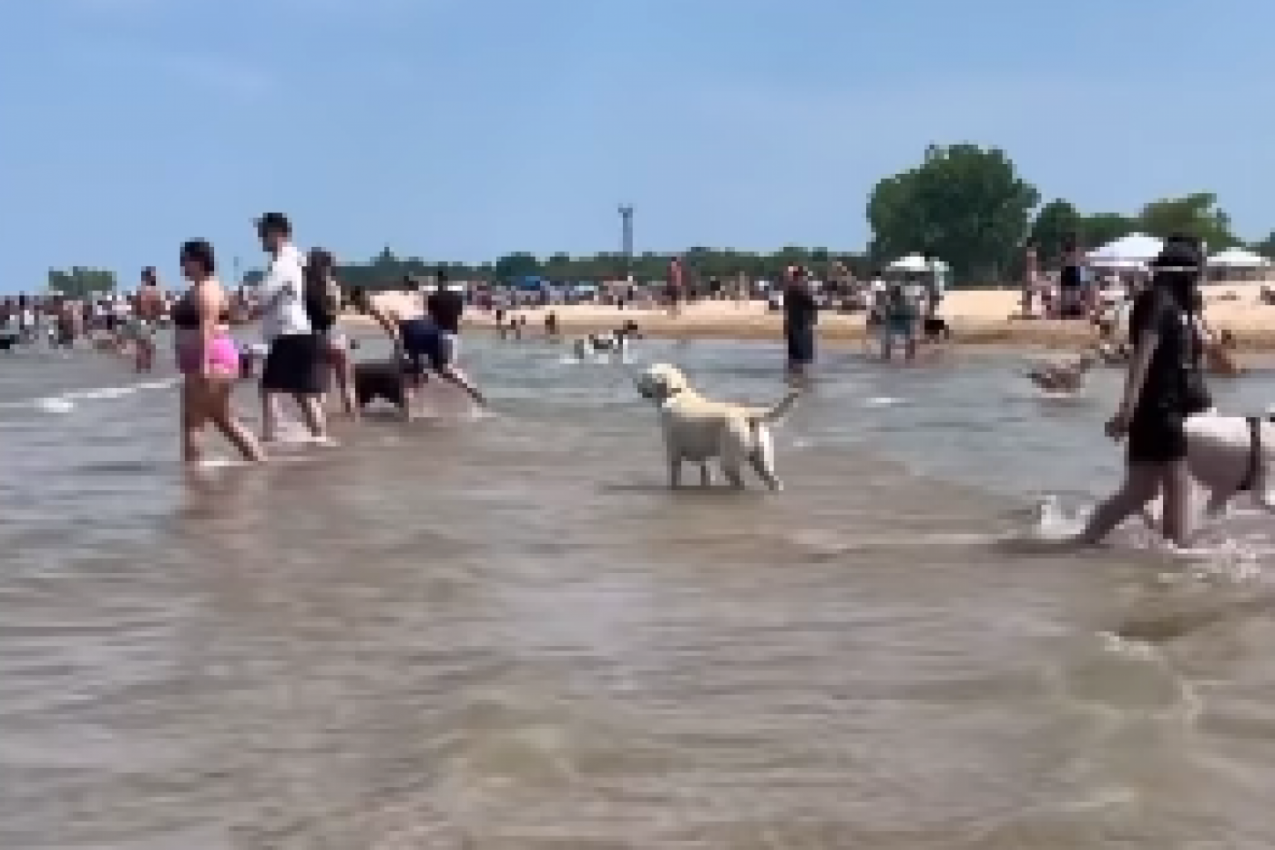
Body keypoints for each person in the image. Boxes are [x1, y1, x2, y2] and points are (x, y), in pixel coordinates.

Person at [1076, 237, 1211, 547]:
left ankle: (1084, 541)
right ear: (1185, 274)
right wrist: (1127, 410)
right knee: (1178, 485)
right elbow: (1142, 357)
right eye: (1196, 274)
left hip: (1159, 409)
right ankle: (1178, 553)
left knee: (1141, 491)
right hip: (1158, 410)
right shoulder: (1159, 302)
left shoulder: (1169, 304)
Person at [173, 239, 265, 464]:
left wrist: (203, 365)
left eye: (185, 260)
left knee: (193, 423)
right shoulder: (204, 288)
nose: (181, 266)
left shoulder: (207, 290)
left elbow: (208, 327)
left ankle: (194, 477)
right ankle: (258, 462)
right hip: (213, 361)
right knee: (225, 421)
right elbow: (229, 320)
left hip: (211, 362)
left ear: (199, 261)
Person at [253, 212, 327, 443]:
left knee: (271, 388)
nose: (259, 238)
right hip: (300, 333)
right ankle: (318, 438)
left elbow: (262, 297)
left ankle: (271, 436)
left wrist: (239, 308)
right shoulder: (297, 258)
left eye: (263, 233)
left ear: (277, 234)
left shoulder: (283, 263)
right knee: (300, 393)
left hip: (290, 335)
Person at [352, 286, 487, 412]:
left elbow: (392, 328)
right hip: (430, 325)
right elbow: (415, 306)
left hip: (412, 329)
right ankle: (474, 392)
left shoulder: (373, 304)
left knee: (405, 376)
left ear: (362, 298)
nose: (360, 309)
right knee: (444, 369)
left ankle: (408, 417)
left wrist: (401, 350)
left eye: (358, 305)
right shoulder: (390, 294)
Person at [303, 248, 357, 418]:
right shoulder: (333, 285)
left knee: (321, 388)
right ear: (327, 265)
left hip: (316, 338)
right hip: (337, 336)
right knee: (347, 386)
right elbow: (337, 311)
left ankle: (321, 425)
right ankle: (354, 420)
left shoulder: (305, 286)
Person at [783, 265, 818, 382]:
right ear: (801, 276)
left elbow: (786, 307)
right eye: (805, 276)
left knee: (793, 355)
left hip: (793, 322)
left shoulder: (790, 287)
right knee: (801, 355)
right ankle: (800, 381)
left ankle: (793, 380)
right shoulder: (800, 287)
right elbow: (812, 303)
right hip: (801, 323)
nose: (806, 278)